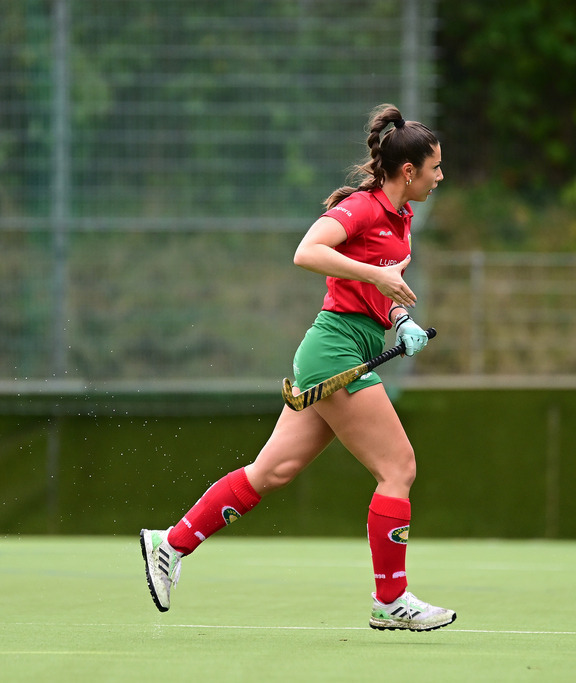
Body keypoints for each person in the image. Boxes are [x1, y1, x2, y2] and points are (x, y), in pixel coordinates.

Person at [140, 103, 454, 632]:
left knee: (271, 473)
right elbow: (307, 252)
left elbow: (375, 281)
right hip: (335, 349)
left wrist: (399, 318)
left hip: (348, 344)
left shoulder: (401, 220)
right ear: (409, 171)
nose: (440, 177)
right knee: (398, 468)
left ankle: (168, 543)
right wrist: (376, 281)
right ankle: (391, 600)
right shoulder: (361, 208)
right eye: (435, 169)